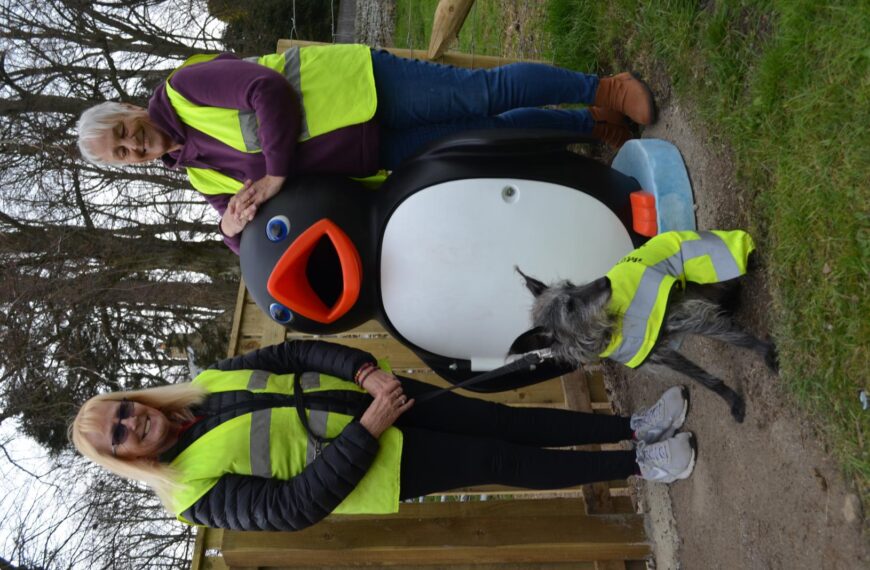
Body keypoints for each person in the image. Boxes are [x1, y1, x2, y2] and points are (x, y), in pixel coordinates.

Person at [75, 44, 656, 254]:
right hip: (373, 156)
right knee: (489, 135)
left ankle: (605, 89)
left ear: (126, 110)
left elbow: (264, 90)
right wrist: (231, 226)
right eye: (121, 154)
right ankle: (591, 125)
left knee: (486, 93)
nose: (132, 144)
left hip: (367, 89)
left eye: (122, 132)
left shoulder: (184, 89)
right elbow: (247, 237)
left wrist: (274, 174)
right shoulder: (197, 175)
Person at [70, 339, 694, 531]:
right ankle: (641, 465)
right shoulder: (190, 495)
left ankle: (632, 426)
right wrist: (367, 432)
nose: (131, 421)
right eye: (118, 435)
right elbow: (290, 509)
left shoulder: (205, 383)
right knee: (502, 458)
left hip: (383, 397)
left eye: (121, 410)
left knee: (506, 419)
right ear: (124, 458)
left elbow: (293, 354)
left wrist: (363, 371)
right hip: (382, 457)